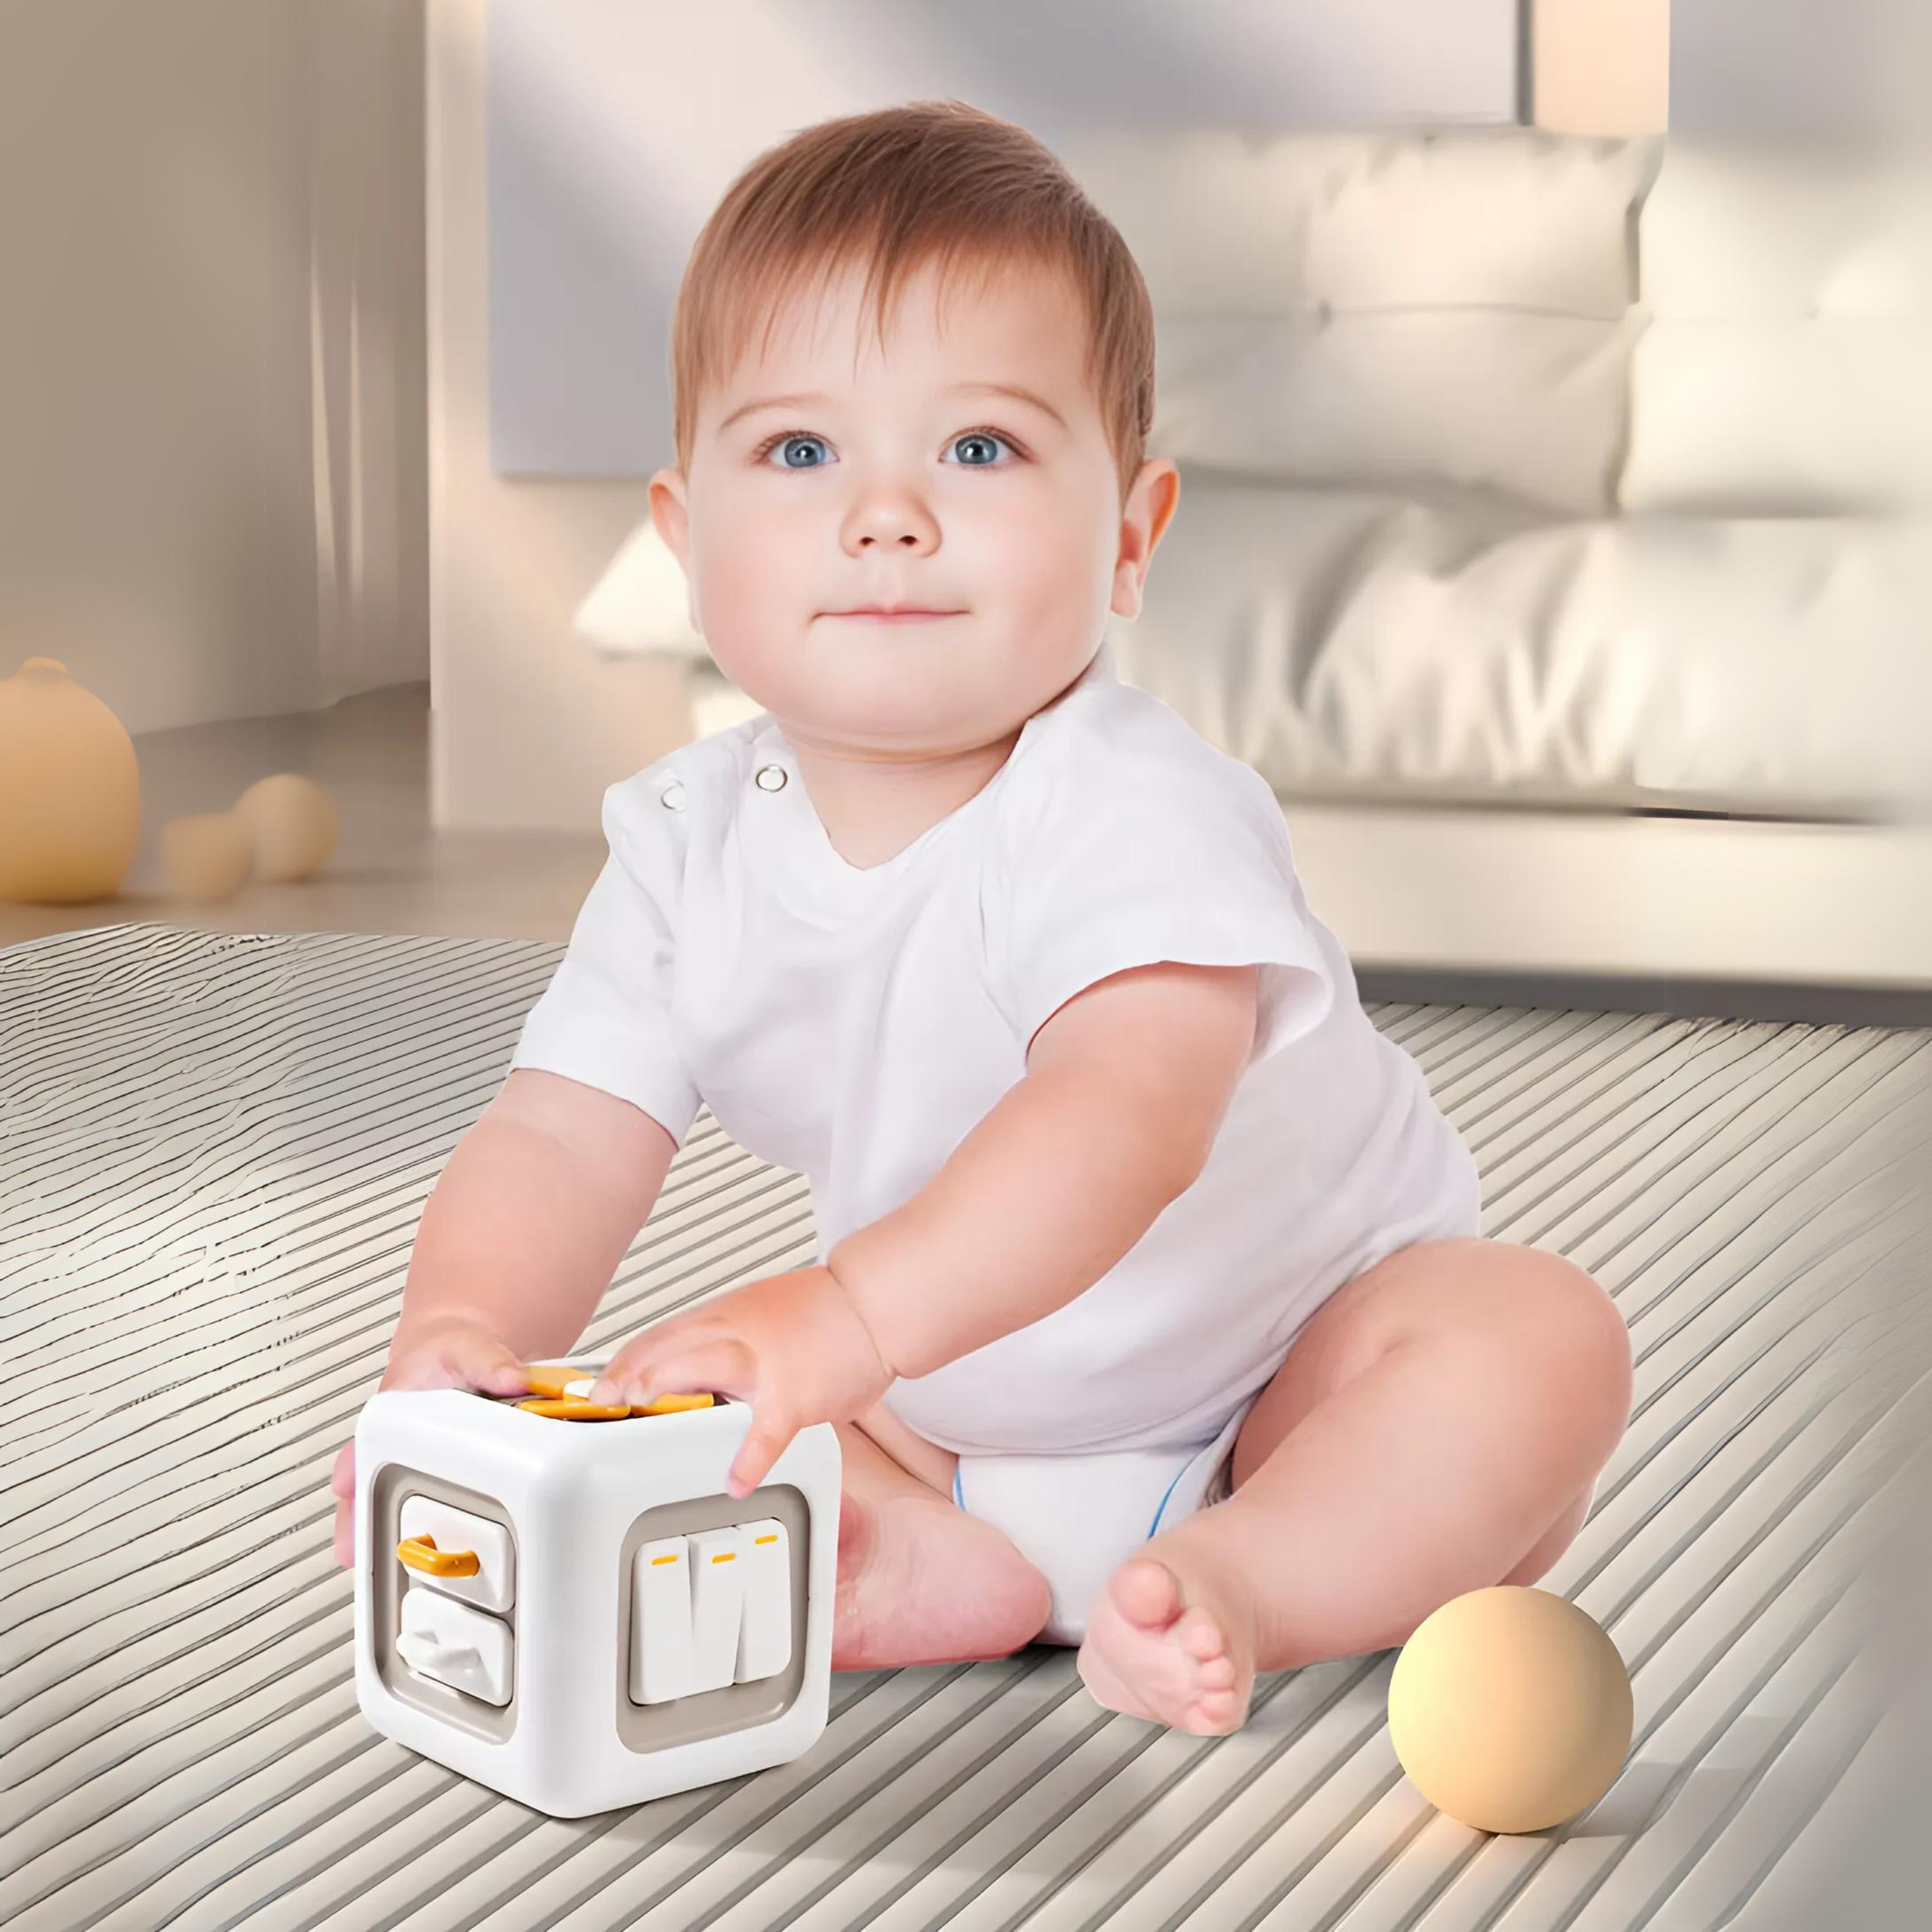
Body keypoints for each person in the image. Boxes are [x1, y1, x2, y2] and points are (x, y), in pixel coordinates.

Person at [332, 99, 1631, 1736]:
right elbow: (563, 1135)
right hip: (938, 1411)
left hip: (1293, 1381)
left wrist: (855, 1317)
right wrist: (456, 1341)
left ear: (1130, 539)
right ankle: (941, 1556)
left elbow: (1127, 1116)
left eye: (981, 449)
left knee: (1538, 1339)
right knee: (709, 1414)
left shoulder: (1129, 805)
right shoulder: (685, 844)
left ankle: (1251, 1576)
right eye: (802, 453)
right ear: (685, 538)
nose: (888, 514)